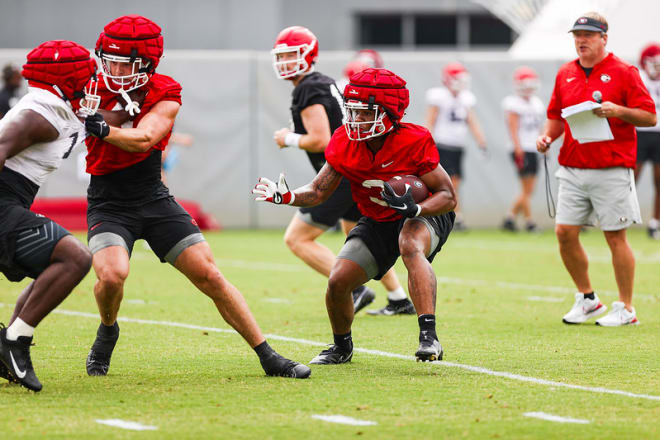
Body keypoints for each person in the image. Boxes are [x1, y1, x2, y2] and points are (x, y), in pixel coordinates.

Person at [83, 15, 310, 379]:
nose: (112, 68)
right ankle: (108, 330)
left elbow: (145, 137)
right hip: (108, 202)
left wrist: (100, 127)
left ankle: (268, 355)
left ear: (146, 63)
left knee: (210, 275)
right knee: (112, 276)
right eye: (107, 59)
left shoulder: (165, 91)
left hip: (152, 198)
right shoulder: (88, 85)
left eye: (122, 61)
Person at [254, 68, 456, 363]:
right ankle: (341, 347)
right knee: (338, 280)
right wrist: (287, 197)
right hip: (379, 217)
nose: (355, 120)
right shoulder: (344, 141)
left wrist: (416, 209)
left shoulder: (413, 139)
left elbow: (448, 196)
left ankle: (429, 338)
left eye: (364, 113)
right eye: (352, 111)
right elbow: (318, 191)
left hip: (423, 213)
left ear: (388, 113)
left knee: (410, 245)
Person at [271, 26, 413, 316]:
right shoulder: (321, 82)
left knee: (297, 239)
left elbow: (321, 139)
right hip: (354, 169)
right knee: (362, 238)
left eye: (291, 56)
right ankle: (398, 298)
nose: (285, 62)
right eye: (281, 57)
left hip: (340, 173)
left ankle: (355, 288)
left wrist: (288, 138)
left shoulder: (308, 88)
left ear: (308, 55)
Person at [536, 12, 656, 327]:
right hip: (573, 166)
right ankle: (588, 299)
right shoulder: (565, 73)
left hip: (611, 167)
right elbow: (556, 116)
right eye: (577, 35)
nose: (581, 40)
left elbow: (649, 117)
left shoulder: (624, 71)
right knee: (564, 232)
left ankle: (626, 308)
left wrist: (620, 111)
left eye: (588, 35)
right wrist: (548, 137)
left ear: (604, 38)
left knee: (615, 236)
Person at [0, 40, 97, 391]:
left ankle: (9, 341)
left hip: (12, 201)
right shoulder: (40, 114)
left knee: (56, 264)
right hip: (3, 202)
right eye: (85, 76)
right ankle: (15, 342)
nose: (91, 83)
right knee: (74, 258)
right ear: (64, 81)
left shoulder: (55, 107)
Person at [425, 62, 487, 230]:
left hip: (458, 146)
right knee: (447, 184)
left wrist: (481, 141)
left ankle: (453, 216)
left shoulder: (466, 98)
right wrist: (427, 143)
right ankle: (453, 217)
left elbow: (472, 121)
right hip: (442, 144)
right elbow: (430, 120)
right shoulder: (439, 96)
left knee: (454, 183)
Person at [501, 67, 545, 232]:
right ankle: (529, 221)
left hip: (534, 147)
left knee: (529, 189)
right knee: (526, 187)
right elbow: (513, 128)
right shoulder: (513, 103)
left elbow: (540, 128)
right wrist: (518, 148)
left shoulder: (536, 103)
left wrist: (543, 143)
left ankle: (510, 217)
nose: (528, 88)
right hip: (521, 148)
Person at [635, 43, 660, 239]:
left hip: (659, 133)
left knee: (659, 180)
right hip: (640, 132)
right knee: (631, 178)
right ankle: (622, 216)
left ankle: (655, 222)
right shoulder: (637, 78)